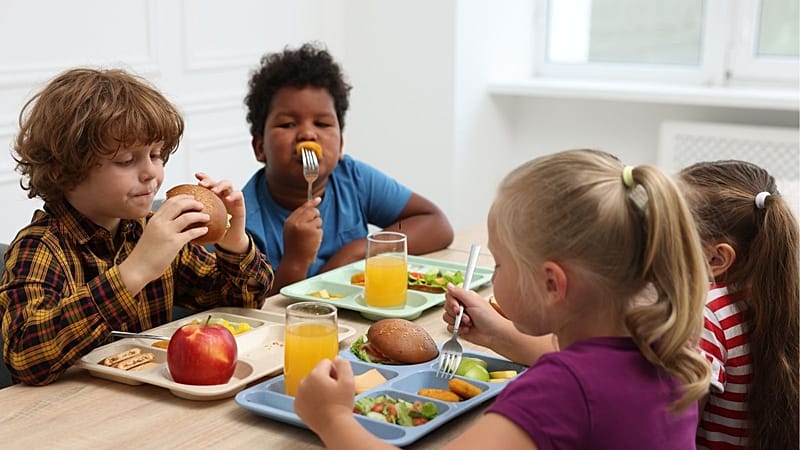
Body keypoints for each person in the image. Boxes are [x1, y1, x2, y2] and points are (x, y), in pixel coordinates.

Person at [294, 149, 711, 449]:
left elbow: (574, 385)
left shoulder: (558, 391)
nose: (494, 276)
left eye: (499, 264)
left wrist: (332, 419)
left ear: (552, 283)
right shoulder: (665, 343)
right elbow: (581, 367)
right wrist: (499, 335)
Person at [0, 68, 274, 386]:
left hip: (150, 399)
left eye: (156, 155)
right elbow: (25, 356)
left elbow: (240, 304)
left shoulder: (149, 229)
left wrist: (233, 239)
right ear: (64, 170)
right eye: (127, 160)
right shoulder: (40, 247)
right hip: (74, 411)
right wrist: (134, 272)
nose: (151, 173)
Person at [243, 42, 454, 295]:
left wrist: (357, 251)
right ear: (260, 147)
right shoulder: (243, 222)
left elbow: (436, 224)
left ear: (341, 144)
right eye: (288, 124)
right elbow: (259, 309)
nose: (308, 134)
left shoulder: (352, 178)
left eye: (322, 123)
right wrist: (296, 259)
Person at [679, 160, 799, 450]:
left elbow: (679, 435)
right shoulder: (778, 296)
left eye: (667, 230)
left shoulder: (705, 315)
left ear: (716, 259)